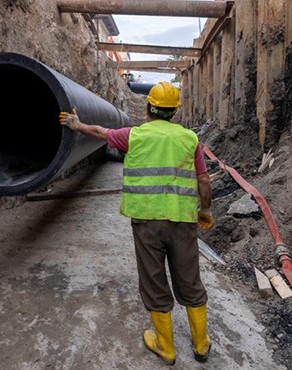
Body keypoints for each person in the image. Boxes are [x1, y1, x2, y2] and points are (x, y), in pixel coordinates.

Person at [59, 81, 214, 365]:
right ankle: (201, 344)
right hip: (182, 220)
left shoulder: (134, 136)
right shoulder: (190, 139)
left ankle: (165, 347)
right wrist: (205, 211)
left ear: (148, 108)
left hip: (146, 222)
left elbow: (99, 132)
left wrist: (75, 123)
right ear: (175, 112)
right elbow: (203, 181)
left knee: (154, 279)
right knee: (189, 279)